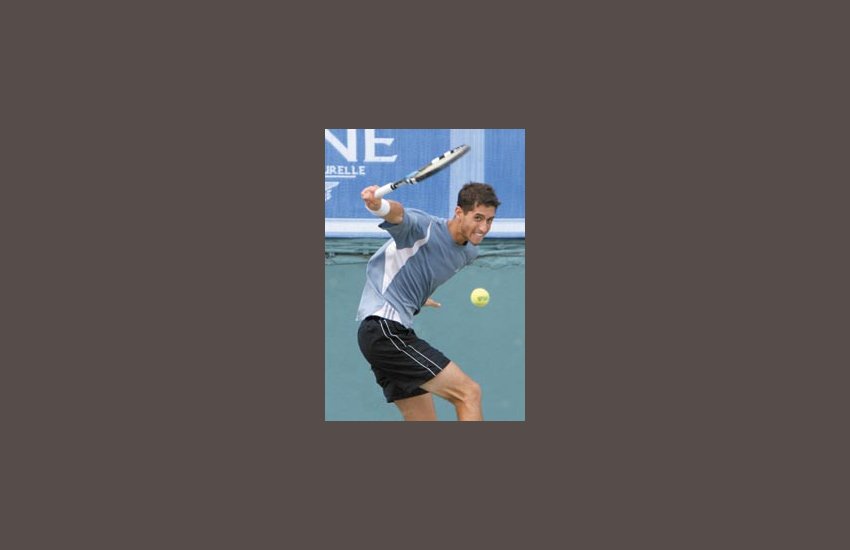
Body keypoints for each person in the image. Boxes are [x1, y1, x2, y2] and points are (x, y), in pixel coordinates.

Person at [356, 182, 501, 421]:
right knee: (468, 394)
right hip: (384, 329)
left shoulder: (469, 252)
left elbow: (419, 267)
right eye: (477, 218)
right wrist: (378, 205)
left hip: (382, 333)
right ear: (459, 212)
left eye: (489, 220)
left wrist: (418, 296)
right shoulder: (424, 228)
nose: (483, 227)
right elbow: (398, 215)